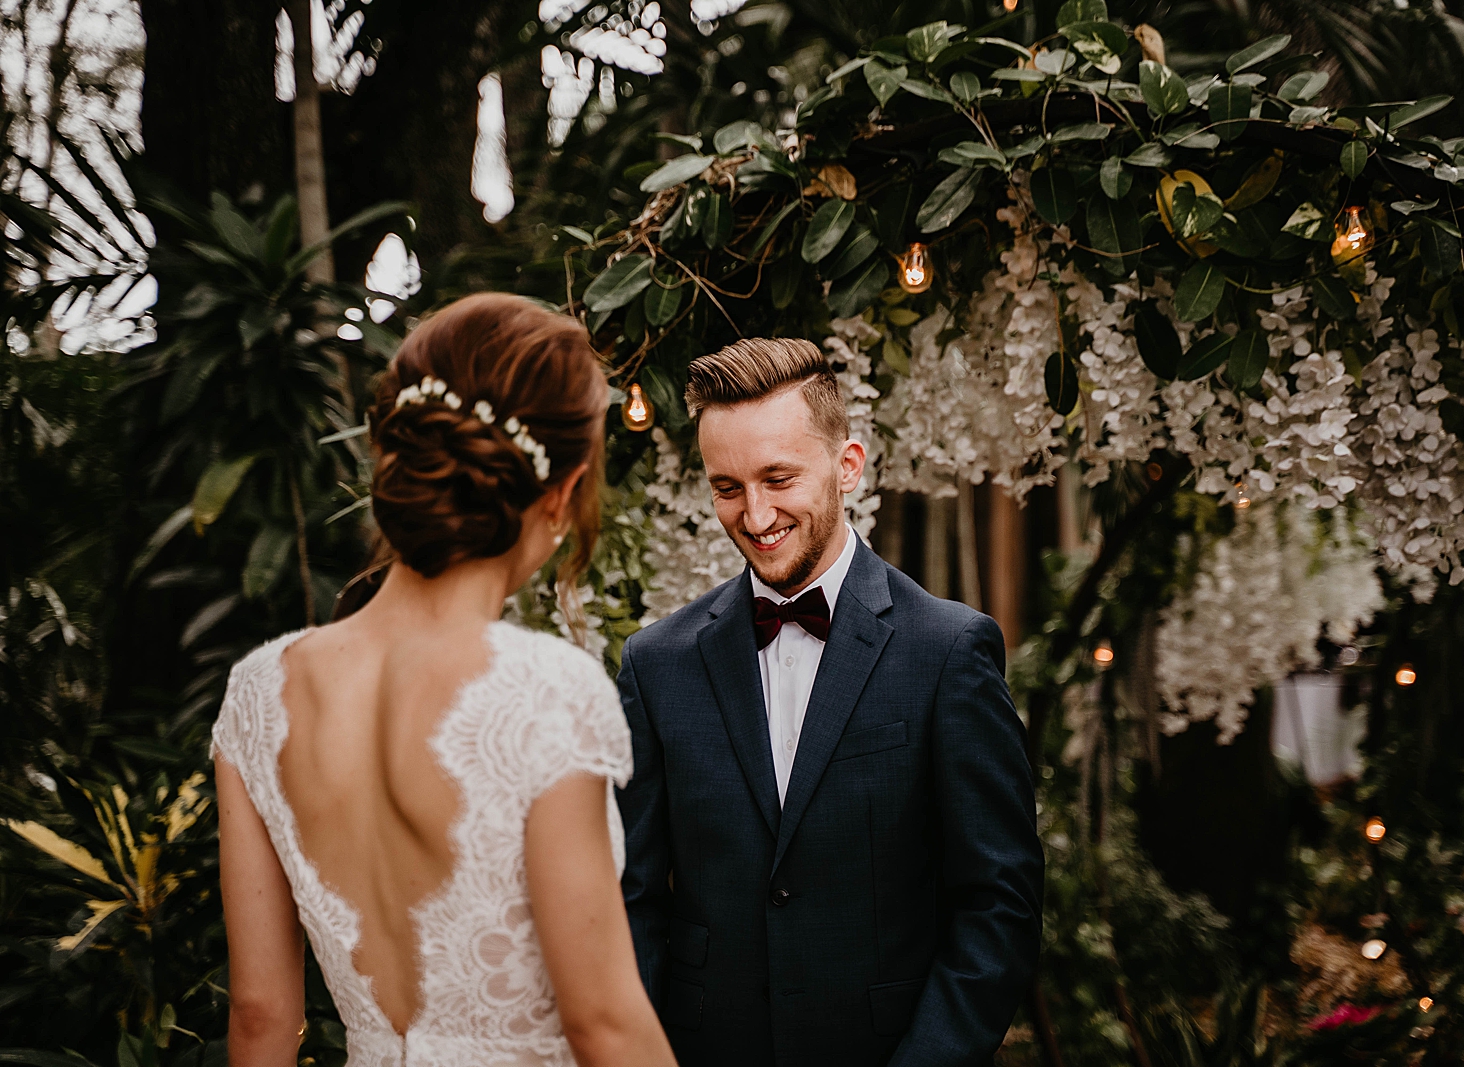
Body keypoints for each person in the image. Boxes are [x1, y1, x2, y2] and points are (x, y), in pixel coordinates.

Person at [212, 294, 676, 1067]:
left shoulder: (259, 693)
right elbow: (603, 1022)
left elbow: (260, 1015)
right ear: (561, 492)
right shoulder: (547, 692)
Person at [616, 338, 1043, 1067]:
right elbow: (632, 900)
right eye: (727, 487)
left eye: (778, 478)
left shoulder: (949, 650)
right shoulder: (656, 664)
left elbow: (999, 901)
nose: (755, 515)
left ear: (848, 465)